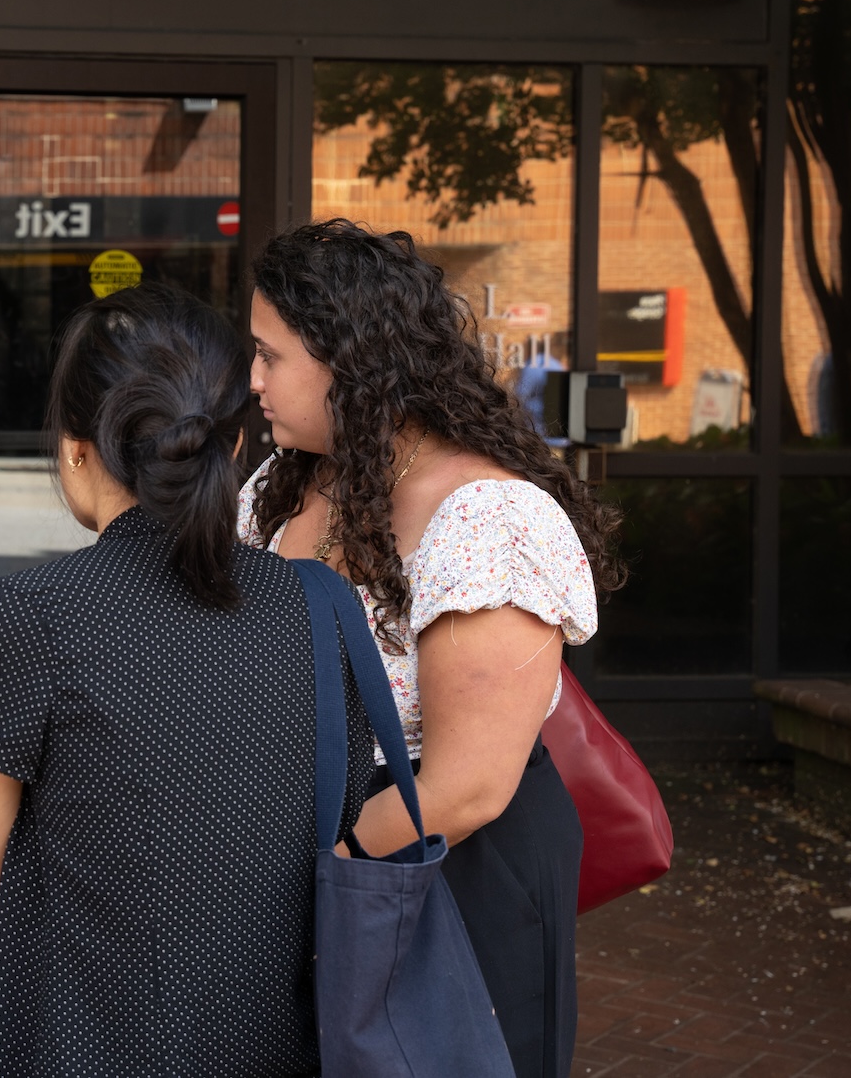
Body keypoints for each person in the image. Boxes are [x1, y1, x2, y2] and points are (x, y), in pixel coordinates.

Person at [0, 281, 372, 1078]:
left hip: (82, 1038)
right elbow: (339, 814)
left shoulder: (29, 614)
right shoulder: (321, 602)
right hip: (274, 1040)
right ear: (234, 446)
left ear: (75, 448)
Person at [241, 220, 623, 1078]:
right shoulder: (282, 483)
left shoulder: (487, 518)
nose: (253, 379)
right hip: (318, 854)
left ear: (350, 360)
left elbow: (466, 785)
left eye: (270, 356)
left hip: (449, 871)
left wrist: (323, 874)